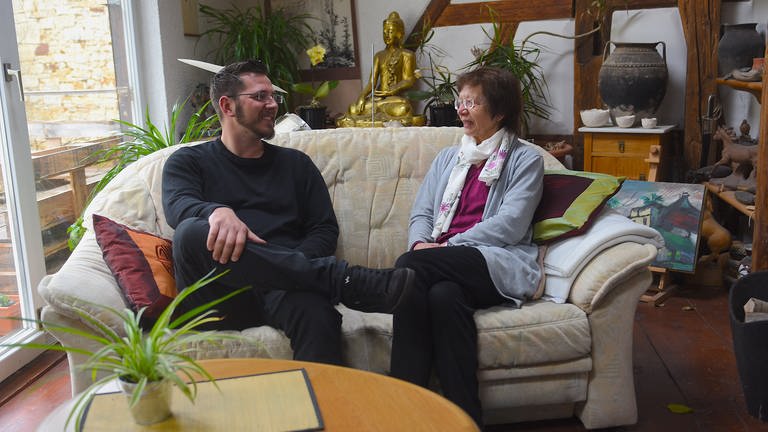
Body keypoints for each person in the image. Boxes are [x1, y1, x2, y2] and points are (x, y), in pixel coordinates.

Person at [162, 59, 415, 365]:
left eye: (273, 96)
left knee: (317, 313)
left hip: (286, 290)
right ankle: (343, 280)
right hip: (219, 297)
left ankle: (322, 411)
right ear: (227, 106)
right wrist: (216, 211)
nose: (273, 105)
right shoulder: (188, 162)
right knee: (191, 232)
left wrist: (284, 267)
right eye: (260, 97)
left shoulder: (296, 165)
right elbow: (178, 207)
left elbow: (323, 230)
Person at [389, 67, 544, 427]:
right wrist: (420, 243)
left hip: (492, 260)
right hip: (442, 267)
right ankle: (462, 418)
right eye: (461, 101)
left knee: (407, 267)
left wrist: (444, 248)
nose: (461, 109)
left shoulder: (525, 159)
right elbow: (422, 212)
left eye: (472, 102)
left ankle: (396, 407)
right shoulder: (448, 158)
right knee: (441, 297)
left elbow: (511, 223)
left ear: (500, 112)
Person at [336, 11, 425, 127]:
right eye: (384, 32)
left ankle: (370, 119)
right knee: (353, 108)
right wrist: (362, 97)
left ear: (399, 34)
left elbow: (409, 80)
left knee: (403, 107)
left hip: (394, 99)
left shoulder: (407, 55)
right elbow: (372, 82)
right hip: (378, 99)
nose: (387, 35)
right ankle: (381, 118)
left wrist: (392, 90)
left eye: (390, 31)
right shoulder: (379, 55)